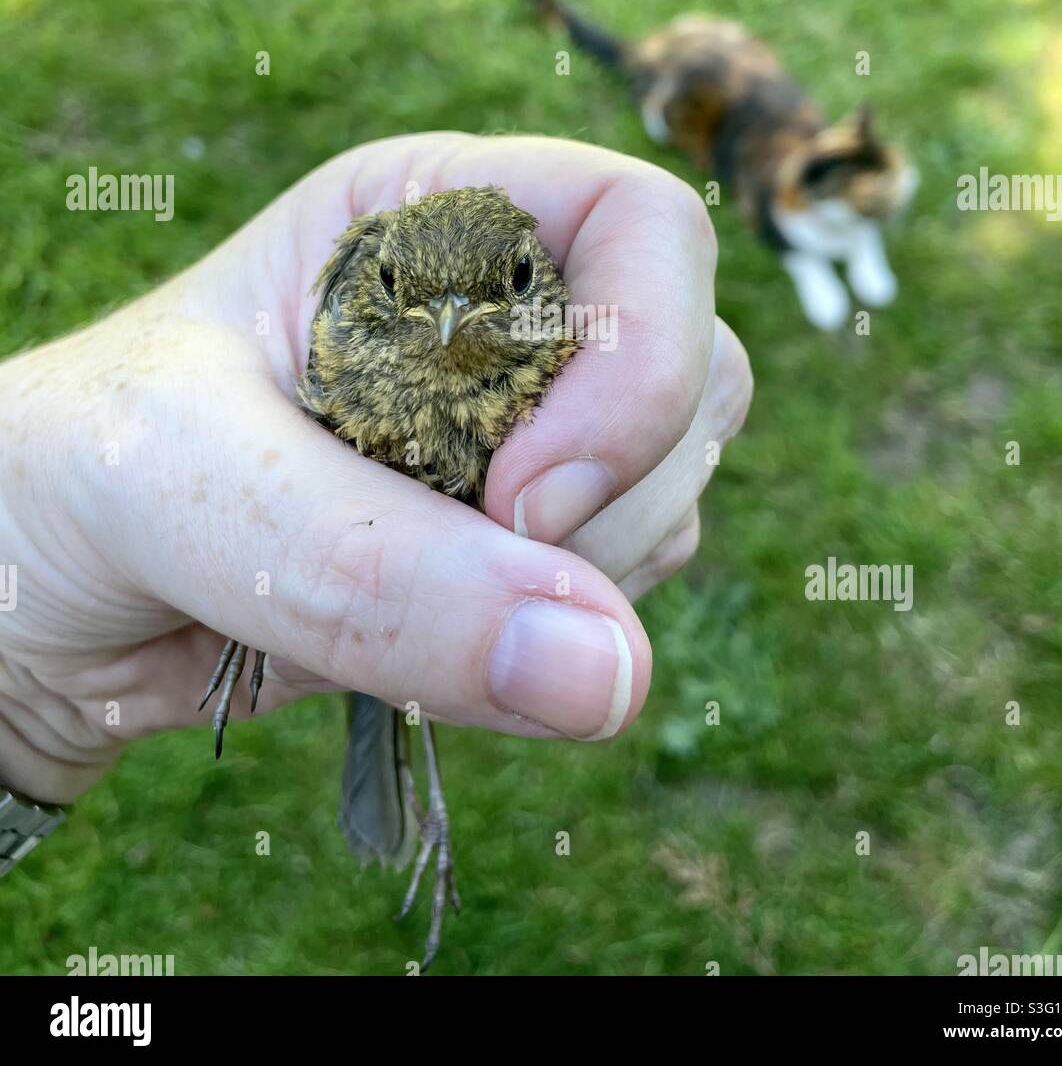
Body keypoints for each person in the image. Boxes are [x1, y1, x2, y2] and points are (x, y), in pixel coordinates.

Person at [0, 132, 752, 808]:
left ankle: (410, 741)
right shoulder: (347, 338)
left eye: (513, 282)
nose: (452, 320)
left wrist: (30, 710)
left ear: (539, 278)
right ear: (380, 282)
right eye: (406, 292)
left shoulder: (563, 350)